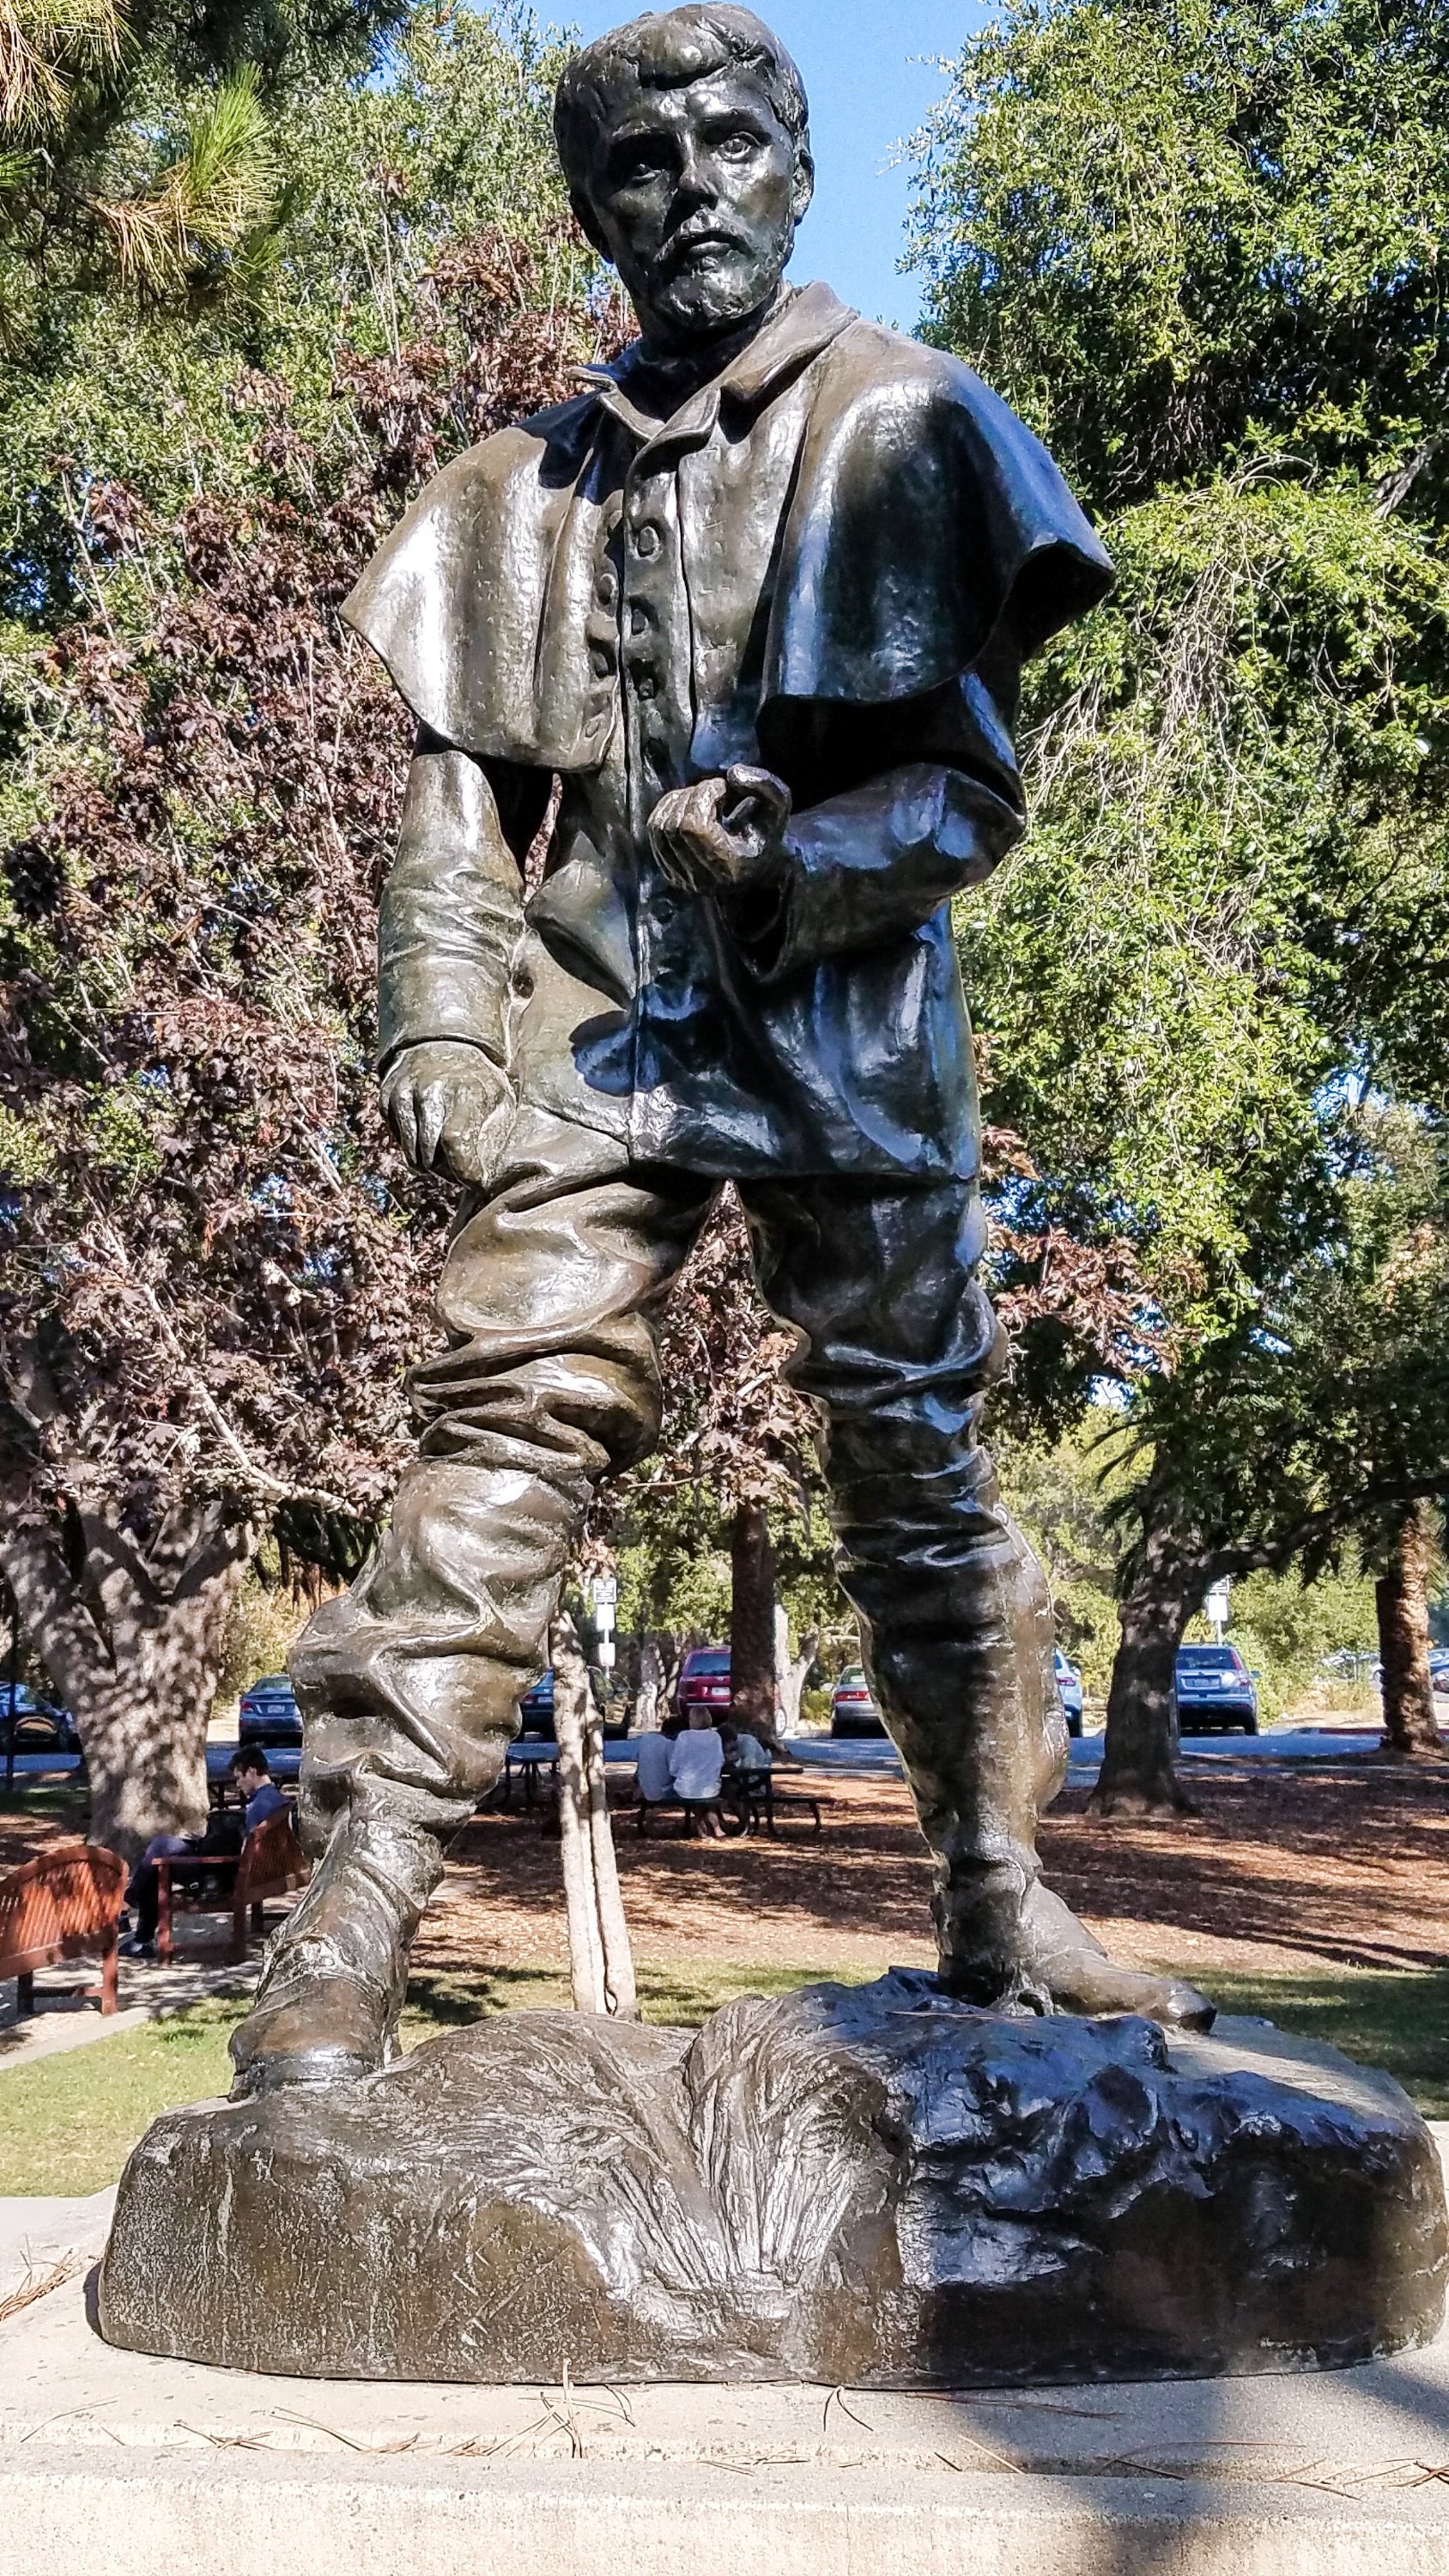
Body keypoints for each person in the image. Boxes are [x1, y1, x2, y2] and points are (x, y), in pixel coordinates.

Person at [229, 3, 1212, 2100]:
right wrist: (433, 1009)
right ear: (593, 213)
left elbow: (969, 796)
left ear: (798, 163)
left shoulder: (903, 423)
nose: (693, 198)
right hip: (603, 1028)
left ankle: (990, 1876)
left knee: (913, 1462)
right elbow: (456, 803)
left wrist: (796, 862)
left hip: (845, 1023)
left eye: (732, 150)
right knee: (499, 1433)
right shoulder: (518, 491)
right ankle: (359, 1900)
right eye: (641, 171)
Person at [122, 1750, 286, 1958]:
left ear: (251, 1772)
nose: (237, 1784)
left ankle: (133, 1922)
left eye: (238, 1777)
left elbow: (244, 1849)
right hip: (244, 1872)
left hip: (219, 1875)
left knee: (158, 1855)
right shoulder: (276, 1800)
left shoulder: (259, 1806)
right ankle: (133, 1922)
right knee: (162, 1847)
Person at [669, 1706, 726, 1837]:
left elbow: (674, 1764)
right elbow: (720, 1760)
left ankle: (701, 1828)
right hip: (711, 1786)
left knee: (694, 1795)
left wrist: (677, 1773)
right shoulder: (715, 1737)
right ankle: (715, 1827)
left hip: (686, 1787)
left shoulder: (684, 1737)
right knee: (706, 1797)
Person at [632, 1725, 676, 1819]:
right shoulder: (669, 1744)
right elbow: (674, 1770)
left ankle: (631, 1794)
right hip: (663, 1791)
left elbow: (637, 1760)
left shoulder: (646, 1740)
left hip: (646, 1788)